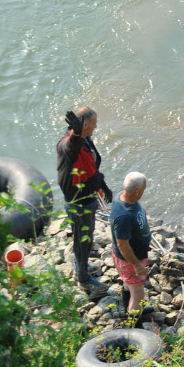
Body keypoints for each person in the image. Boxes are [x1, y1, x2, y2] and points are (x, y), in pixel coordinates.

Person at [57, 106, 113, 295]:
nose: (96, 127)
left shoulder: (86, 140)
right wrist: (75, 134)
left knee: (84, 239)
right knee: (83, 241)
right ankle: (83, 279)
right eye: (94, 124)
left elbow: (92, 166)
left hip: (88, 197)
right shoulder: (67, 144)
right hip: (79, 202)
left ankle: (82, 267)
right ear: (85, 124)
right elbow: (70, 149)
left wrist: (102, 185)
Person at [110, 172, 151, 315]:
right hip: (130, 260)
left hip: (132, 255)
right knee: (138, 292)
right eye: (143, 190)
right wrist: (137, 265)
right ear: (137, 191)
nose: (144, 192)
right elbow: (123, 245)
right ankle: (134, 324)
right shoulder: (124, 216)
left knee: (129, 284)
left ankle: (126, 297)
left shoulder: (122, 196)